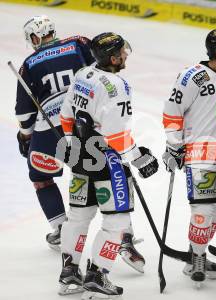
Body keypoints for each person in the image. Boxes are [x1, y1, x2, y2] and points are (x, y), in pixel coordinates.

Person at [58, 32, 159, 297]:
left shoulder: (83, 74)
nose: (126, 55)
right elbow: (116, 136)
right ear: (113, 58)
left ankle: (68, 274)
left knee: (78, 218)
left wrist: (71, 142)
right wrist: (140, 158)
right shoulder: (117, 86)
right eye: (122, 52)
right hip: (107, 161)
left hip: (81, 156)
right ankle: (97, 275)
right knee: (117, 220)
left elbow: (66, 115)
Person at [162, 29, 216, 287]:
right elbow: (172, 112)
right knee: (202, 209)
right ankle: (198, 256)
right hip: (200, 155)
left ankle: (196, 251)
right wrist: (174, 145)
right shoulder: (192, 77)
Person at [15, 15, 94, 250]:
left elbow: (24, 113)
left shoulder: (28, 64)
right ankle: (123, 233)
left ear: (35, 36)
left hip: (49, 128)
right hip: (86, 120)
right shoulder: (79, 43)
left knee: (40, 177)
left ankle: (61, 227)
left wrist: (25, 136)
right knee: (103, 175)